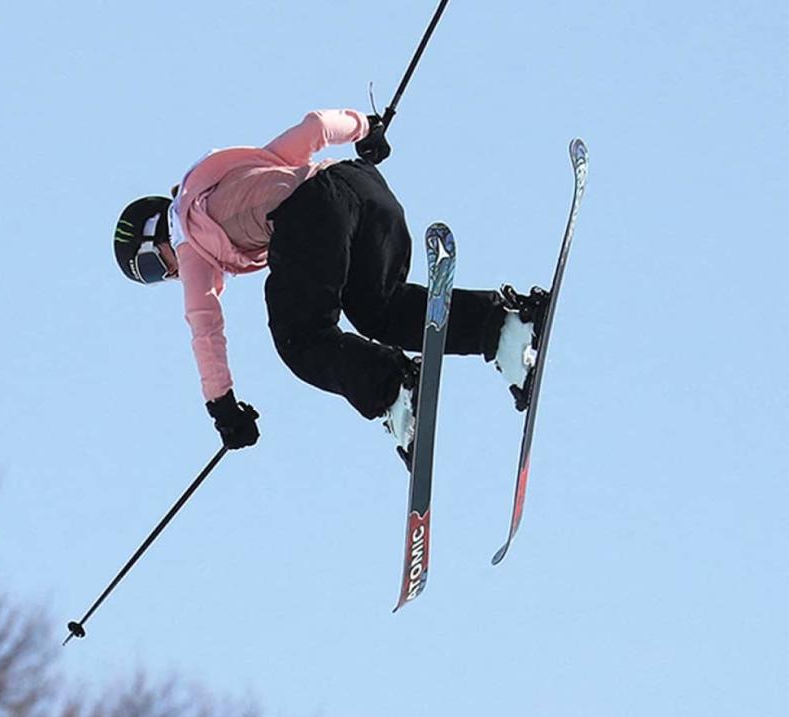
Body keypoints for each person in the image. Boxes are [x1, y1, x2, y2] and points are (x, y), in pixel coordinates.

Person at [113, 109, 547, 460]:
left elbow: (205, 326)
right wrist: (365, 128)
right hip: (360, 184)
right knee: (382, 309)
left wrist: (222, 407)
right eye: (155, 277)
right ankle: (507, 328)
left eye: (153, 264)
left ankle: (394, 388)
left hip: (309, 213)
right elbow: (316, 129)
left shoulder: (186, 234)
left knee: (300, 338)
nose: (169, 273)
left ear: (157, 228)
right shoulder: (229, 171)